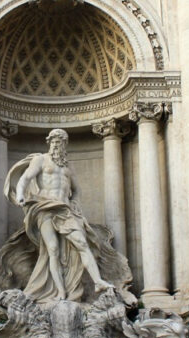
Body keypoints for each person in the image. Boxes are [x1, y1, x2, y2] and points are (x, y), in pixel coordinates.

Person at [6, 128, 114, 303]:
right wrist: (20, 195)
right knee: (53, 250)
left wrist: (75, 204)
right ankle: (60, 292)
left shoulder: (68, 167)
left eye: (61, 142)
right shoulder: (40, 160)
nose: (57, 145)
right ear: (49, 143)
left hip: (65, 210)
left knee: (82, 243)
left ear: (65, 145)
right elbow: (25, 179)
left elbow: (76, 190)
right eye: (54, 142)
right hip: (45, 208)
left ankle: (98, 281)